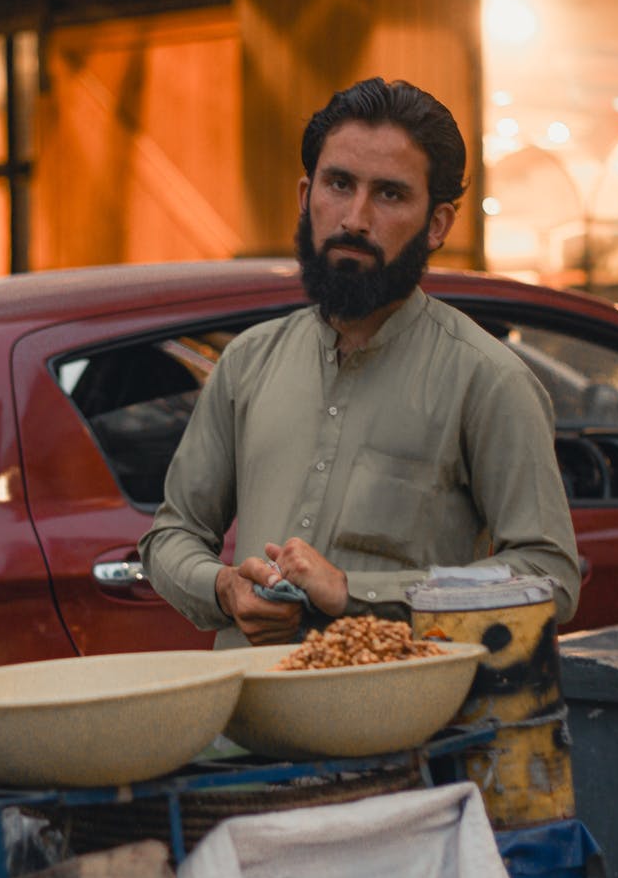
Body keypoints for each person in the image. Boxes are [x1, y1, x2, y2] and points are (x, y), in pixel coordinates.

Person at [140, 78, 580, 648]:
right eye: (338, 184)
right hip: (247, 718)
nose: (354, 218)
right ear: (306, 196)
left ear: (438, 224)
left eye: (390, 195)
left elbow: (550, 578)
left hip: (402, 727)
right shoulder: (249, 361)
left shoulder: (488, 380)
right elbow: (170, 535)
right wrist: (222, 587)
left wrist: (358, 591)